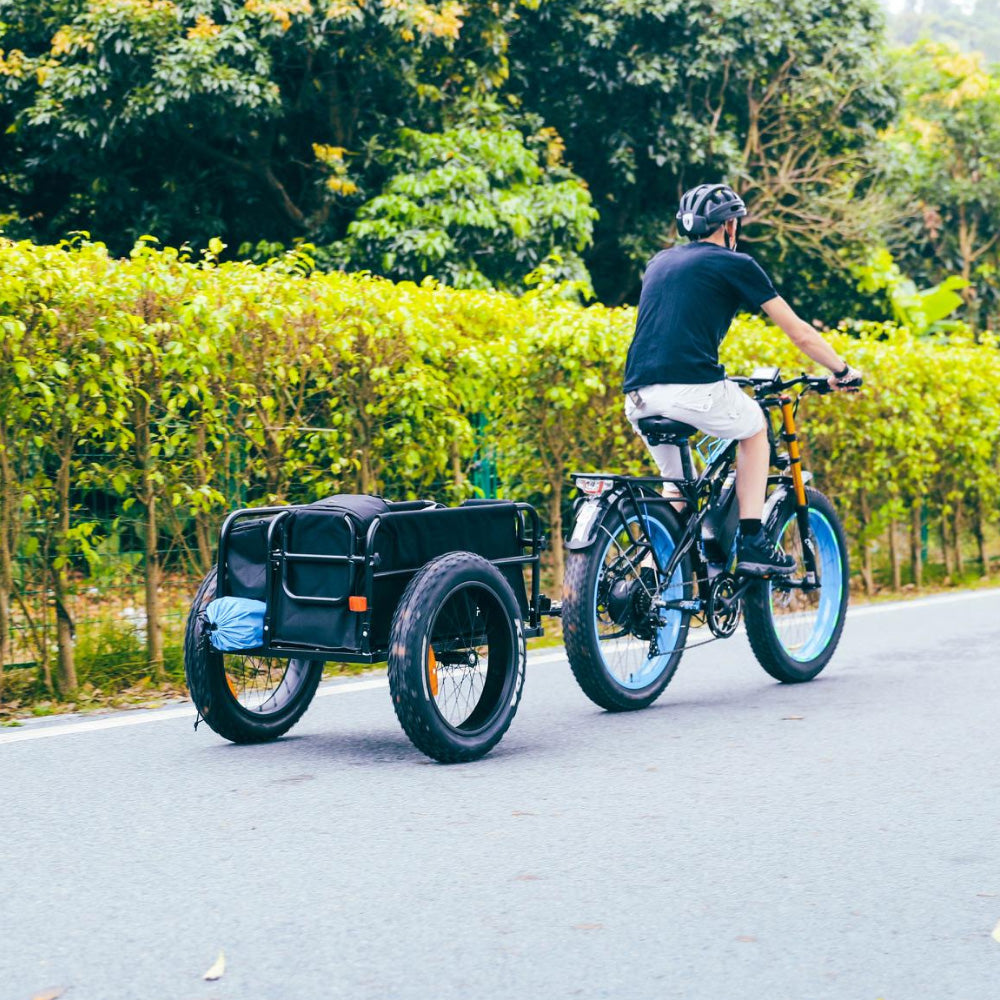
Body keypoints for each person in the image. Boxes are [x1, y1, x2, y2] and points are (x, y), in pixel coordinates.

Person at [623, 182, 862, 576]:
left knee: (679, 488)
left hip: (638, 395)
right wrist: (842, 371)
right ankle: (753, 540)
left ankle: (648, 580)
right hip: (691, 387)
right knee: (753, 428)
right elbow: (799, 332)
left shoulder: (659, 262)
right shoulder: (736, 264)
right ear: (729, 225)